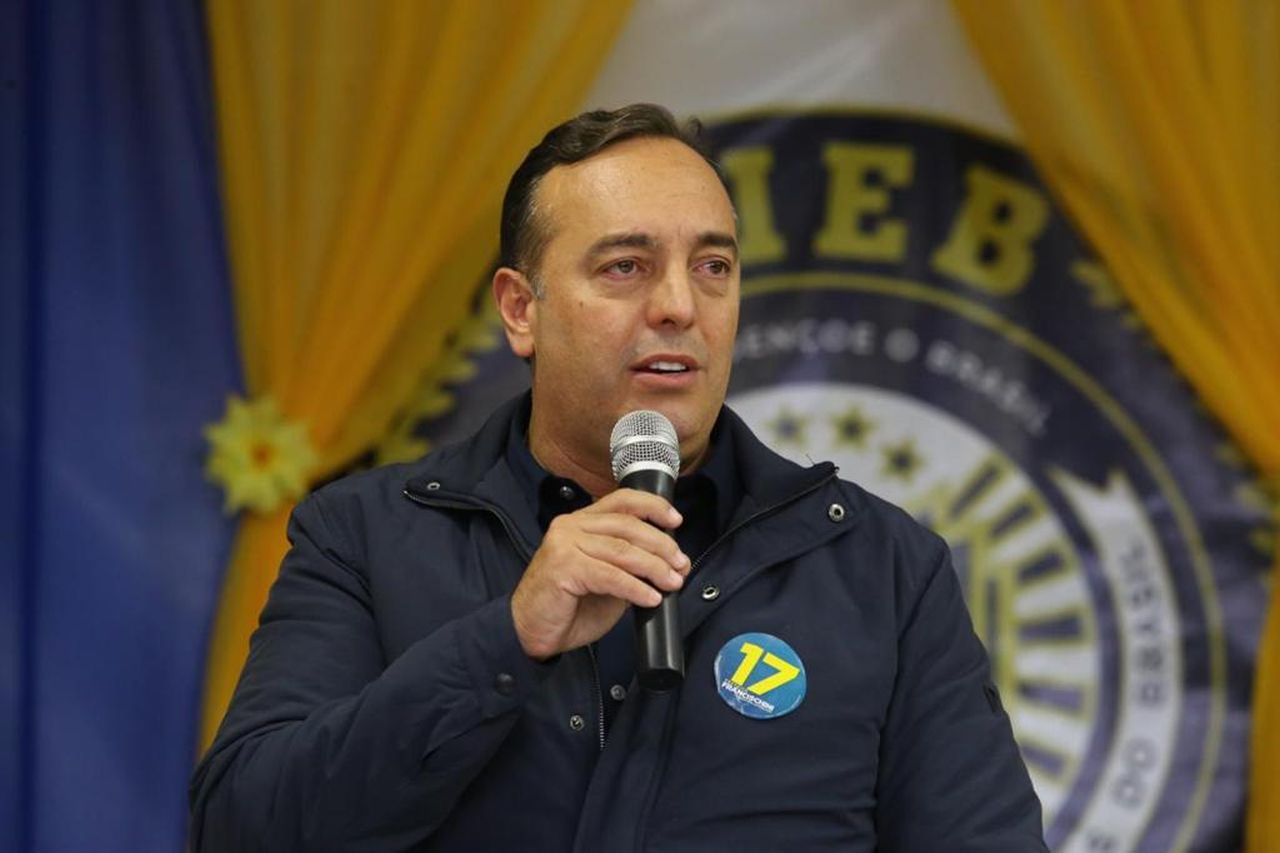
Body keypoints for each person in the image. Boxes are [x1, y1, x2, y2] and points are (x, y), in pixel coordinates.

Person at [189, 103, 1046, 851]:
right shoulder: (365, 534)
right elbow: (242, 828)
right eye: (625, 266)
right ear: (521, 309)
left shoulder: (882, 569)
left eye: (713, 266)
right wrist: (506, 638)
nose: (679, 305)